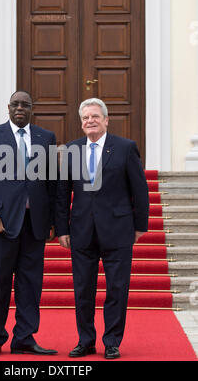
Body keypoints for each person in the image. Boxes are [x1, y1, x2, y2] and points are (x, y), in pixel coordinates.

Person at [55, 98, 149, 359]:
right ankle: (85, 340)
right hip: (82, 231)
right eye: (86, 118)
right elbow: (63, 193)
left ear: (106, 120)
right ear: (81, 123)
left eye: (95, 116)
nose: (90, 121)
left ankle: (112, 341)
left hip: (118, 230)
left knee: (117, 289)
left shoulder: (125, 148)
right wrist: (62, 228)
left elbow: (139, 190)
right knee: (83, 290)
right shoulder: (72, 150)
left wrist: (140, 225)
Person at [0, 90, 58, 357]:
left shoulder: (46, 138)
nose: (20, 108)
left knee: (31, 284)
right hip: (1, 225)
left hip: (35, 225)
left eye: (25, 105)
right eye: (16, 104)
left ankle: (25, 337)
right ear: (8, 108)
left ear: (32, 109)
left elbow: (52, 183)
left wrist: (52, 220)